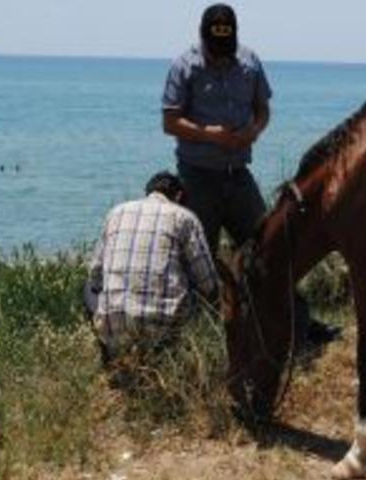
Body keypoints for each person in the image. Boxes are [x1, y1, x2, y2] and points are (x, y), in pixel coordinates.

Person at [161, 3, 339, 348]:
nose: (221, 55)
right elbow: (169, 122)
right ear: (203, 36)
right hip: (198, 178)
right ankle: (205, 342)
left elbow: (264, 110)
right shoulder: (183, 66)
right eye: (214, 48)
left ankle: (300, 329)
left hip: (239, 176)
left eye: (226, 47)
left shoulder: (250, 62)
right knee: (198, 261)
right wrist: (211, 134)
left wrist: (253, 131)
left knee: (272, 250)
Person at [86, 171, 217, 365]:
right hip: (165, 328)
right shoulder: (185, 217)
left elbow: (95, 276)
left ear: (147, 192)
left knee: (87, 287)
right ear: (179, 196)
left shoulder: (116, 212)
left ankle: (108, 358)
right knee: (196, 282)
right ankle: (178, 356)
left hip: (114, 325)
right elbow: (209, 284)